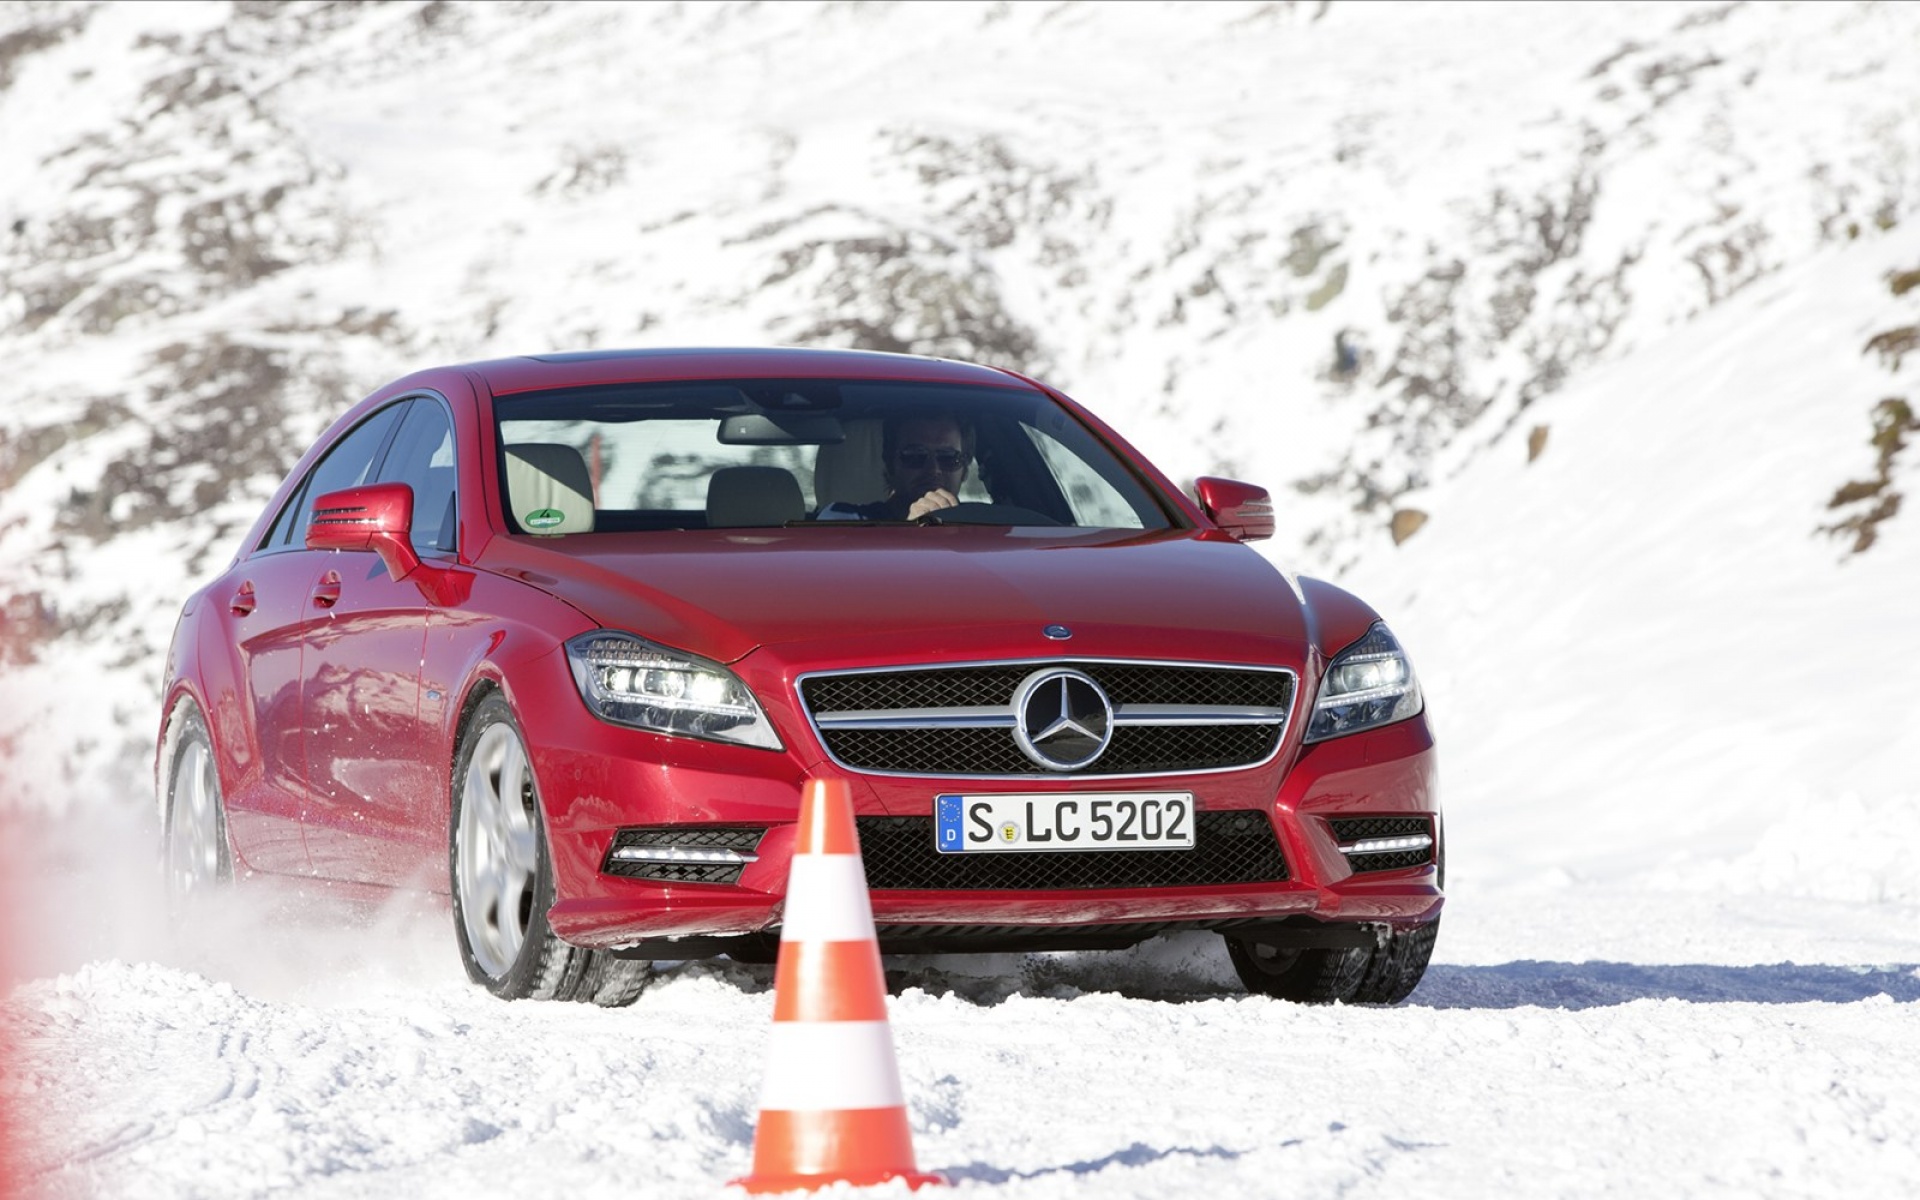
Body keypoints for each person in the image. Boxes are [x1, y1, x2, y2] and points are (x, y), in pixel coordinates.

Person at [818, 411, 975, 521]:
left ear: (965, 469)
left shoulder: (988, 527)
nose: (934, 470)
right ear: (890, 465)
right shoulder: (841, 521)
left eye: (948, 457)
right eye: (915, 456)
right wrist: (911, 532)